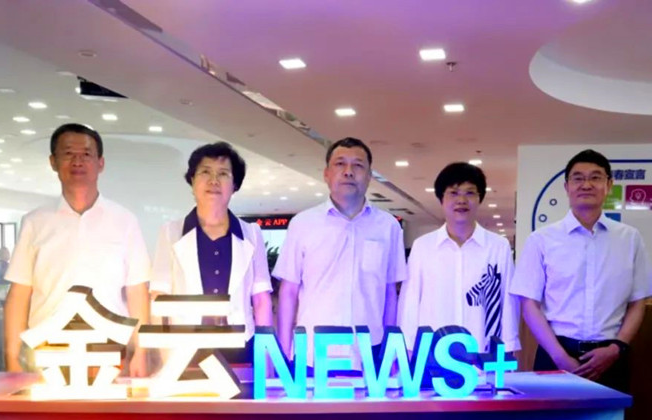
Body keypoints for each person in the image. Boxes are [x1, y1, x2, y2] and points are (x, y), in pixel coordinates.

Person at [3, 123, 150, 376]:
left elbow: (137, 291)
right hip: (46, 350)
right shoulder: (35, 222)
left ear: (100, 163)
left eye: (86, 154)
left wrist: (141, 351)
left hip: (109, 351)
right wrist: (11, 356)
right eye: (68, 153)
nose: (77, 161)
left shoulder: (125, 221)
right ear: (53, 162)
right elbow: (19, 293)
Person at [510, 149, 652, 392]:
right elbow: (529, 304)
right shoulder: (541, 239)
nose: (586, 184)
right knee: (553, 418)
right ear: (567, 187)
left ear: (609, 185)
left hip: (611, 357)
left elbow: (638, 301)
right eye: (578, 178)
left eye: (595, 177)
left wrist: (616, 348)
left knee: (609, 418)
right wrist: (559, 357)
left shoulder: (630, 239)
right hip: (555, 353)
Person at [273, 137, 406, 372]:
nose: (348, 172)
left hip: (370, 352)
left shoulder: (388, 227)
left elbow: (390, 293)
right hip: (312, 353)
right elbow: (289, 291)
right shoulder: (302, 224)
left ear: (369, 176)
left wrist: (390, 352)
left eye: (358, 165)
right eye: (340, 164)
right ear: (326, 174)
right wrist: (283, 353)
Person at [150, 142, 272, 364]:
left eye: (223, 174)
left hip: (240, 345)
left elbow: (261, 299)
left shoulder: (252, 234)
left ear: (235, 185)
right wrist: (164, 354)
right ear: (192, 181)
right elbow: (159, 297)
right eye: (205, 172)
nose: (213, 180)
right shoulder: (171, 232)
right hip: (184, 347)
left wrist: (266, 356)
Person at [398, 162, 520, 355]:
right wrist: (408, 346)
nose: (461, 200)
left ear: (480, 198)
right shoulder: (423, 246)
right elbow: (410, 300)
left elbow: (508, 301)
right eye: (453, 193)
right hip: (432, 354)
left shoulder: (498, 247)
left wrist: (508, 346)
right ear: (441, 199)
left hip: (482, 351)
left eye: (470, 193)